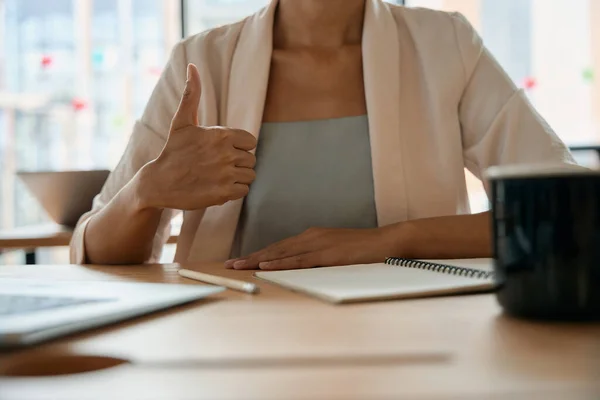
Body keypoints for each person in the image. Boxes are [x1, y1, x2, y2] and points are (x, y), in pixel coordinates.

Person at [70, 0, 575, 269]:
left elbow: (568, 209)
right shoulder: (202, 62)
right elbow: (95, 250)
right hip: (227, 344)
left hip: (416, 340)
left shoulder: (446, 46)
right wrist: (146, 193)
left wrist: (391, 241)